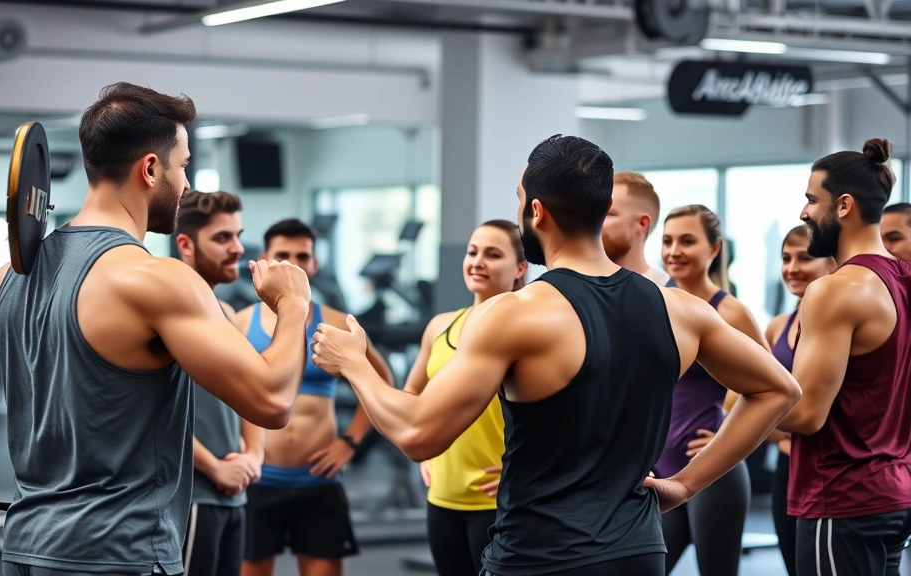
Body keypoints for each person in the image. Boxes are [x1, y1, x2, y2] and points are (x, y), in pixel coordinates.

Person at [308, 134, 801, 576]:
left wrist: (353, 362)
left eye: (521, 201)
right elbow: (779, 388)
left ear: (537, 212)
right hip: (638, 554)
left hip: (541, 557)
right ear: (602, 205)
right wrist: (686, 485)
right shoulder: (679, 309)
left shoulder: (516, 313)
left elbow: (418, 434)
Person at [0, 82, 312, 576]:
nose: (188, 183)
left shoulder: (3, 281)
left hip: (26, 551)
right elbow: (273, 402)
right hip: (120, 555)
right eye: (183, 164)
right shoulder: (158, 279)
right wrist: (293, 304)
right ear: (151, 169)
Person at [777, 138, 911, 576]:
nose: (803, 213)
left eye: (811, 200)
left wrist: (739, 394)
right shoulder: (904, 279)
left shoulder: (835, 289)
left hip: (840, 497)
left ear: (844, 205)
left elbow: (807, 413)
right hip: (893, 494)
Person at [238, 218, 393, 576]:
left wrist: (350, 442)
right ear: (265, 259)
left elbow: (381, 382)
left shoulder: (338, 322)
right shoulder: (242, 323)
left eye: (302, 255)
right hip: (259, 482)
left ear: (314, 263)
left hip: (319, 483)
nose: (293, 263)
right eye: (283, 254)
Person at [404, 220, 527, 576]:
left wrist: (526, 468)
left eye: (493, 254)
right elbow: (413, 392)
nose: (477, 262)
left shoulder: (524, 330)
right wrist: (423, 447)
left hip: (499, 502)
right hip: (441, 497)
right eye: (473, 252)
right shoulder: (439, 326)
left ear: (520, 268)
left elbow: (566, 417)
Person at [655, 204, 768, 576]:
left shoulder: (730, 312)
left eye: (687, 241)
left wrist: (726, 434)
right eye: (668, 241)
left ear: (714, 249)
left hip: (713, 475)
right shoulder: (653, 302)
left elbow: (771, 389)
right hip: (659, 471)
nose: (674, 251)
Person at [173, 190, 264, 576]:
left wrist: (254, 456)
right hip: (193, 496)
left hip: (233, 497)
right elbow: (153, 413)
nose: (238, 248)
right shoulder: (172, 308)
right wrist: (214, 467)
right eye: (223, 238)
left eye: (237, 235)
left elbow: (253, 392)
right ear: (185, 244)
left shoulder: (225, 311)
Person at [762, 224, 836, 576]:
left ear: (832, 264)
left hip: (827, 470)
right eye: (785, 258)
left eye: (804, 258)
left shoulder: (839, 323)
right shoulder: (777, 326)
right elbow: (744, 397)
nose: (792, 267)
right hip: (785, 469)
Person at [602, 171, 670, 285]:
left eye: (608, 214)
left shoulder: (670, 296)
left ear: (642, 224)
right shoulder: (578, 289)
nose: (595, 221)